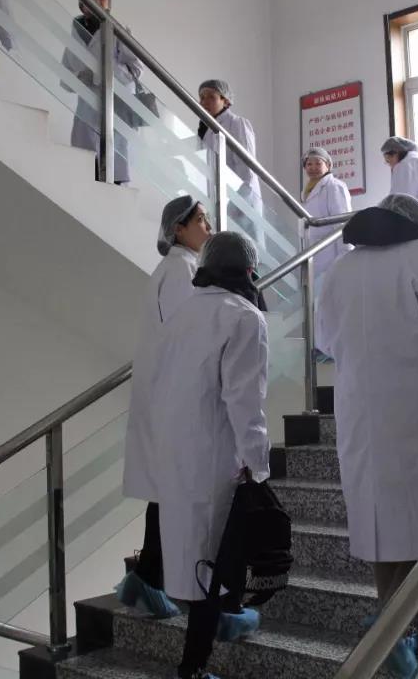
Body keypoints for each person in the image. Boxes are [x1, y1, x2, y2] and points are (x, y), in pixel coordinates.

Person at [316, 194, 418, 679]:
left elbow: (324, 338)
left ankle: (389, 615)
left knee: (381, 519)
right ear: (415, 223)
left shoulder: (340, 269)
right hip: (411, 402)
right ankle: (397, 628)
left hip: (359, 405)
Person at [147, 232, 270, 679]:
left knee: (199, 556)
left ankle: (226, 619)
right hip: (216, 456)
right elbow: (245, 401)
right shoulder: (244, 317)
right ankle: (193, 668)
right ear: (248, 270)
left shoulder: (183, 314)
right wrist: (259, 465)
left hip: (175, 453)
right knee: (210, 561)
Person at [118, 196, 212, 618]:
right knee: (174, 490)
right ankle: (152, 579)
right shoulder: (180, 271)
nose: (208, 227)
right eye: (200, 220)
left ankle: (148, 578)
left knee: (167, 490)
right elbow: (187, 336)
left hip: (169, 396)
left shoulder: (179, 268)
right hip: (174, 398)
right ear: (178, 228)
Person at [61, 0, 142, 184]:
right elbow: (65, 75)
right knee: (86, 164)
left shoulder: (118, 31)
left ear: (108, 4)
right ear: (82, 3)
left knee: (115, 165)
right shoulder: (75, 32)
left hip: (115, 105)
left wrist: (102, 72)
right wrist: (80, 78)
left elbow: (136, 69)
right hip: (86, 105)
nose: (96, 1)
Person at [198, 80, 264, 246]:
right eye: (202, 97)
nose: (204, 102)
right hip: (219, 204)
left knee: (245, 251)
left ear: (226, 101)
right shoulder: (206, 129)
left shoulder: (236, 123)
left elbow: (247, 171)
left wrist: (235, 204)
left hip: (240, 205)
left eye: (211, 97)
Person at [301, 146, 352, 352]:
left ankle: (335, 347)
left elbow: (343, 223)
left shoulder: (334, 186)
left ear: (328, 165)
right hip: (315, 254)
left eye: (318, 163)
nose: (313, 167)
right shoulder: (308, 190)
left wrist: (346, 256)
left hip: (332, 253)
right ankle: (321, 347)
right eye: (309, 164)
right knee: (318, 304)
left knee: (333, 304)